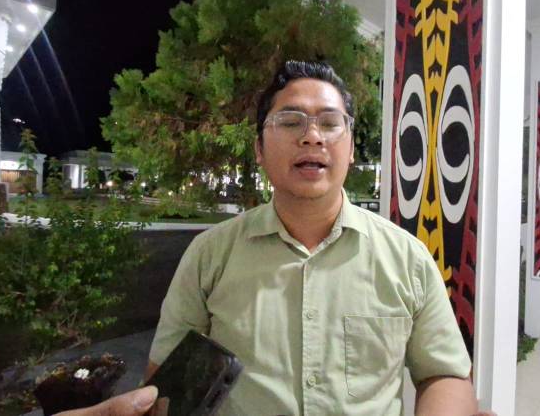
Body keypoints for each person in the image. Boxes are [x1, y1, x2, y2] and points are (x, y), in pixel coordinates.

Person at [141, 60, 478, 415]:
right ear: (259, 149)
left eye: (330, 124)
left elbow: (445, 374)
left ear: (351, 149)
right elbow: (167, 385)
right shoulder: (210, 256)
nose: (312, 136)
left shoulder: (407, 258)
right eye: (290, 122)